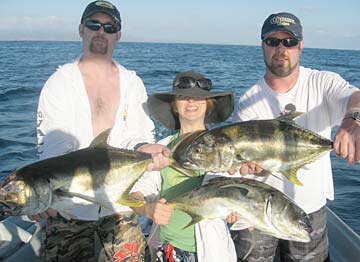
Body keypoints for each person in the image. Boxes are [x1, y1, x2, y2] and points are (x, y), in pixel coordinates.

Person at [34, 1, 169, 261]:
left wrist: (144, 151)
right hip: (69, 210)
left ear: (118, 35)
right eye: (94, 24)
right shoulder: (59, 83)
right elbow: (55, 153)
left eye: (109, 27)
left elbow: (138, 136)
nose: (101, 31)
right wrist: (43, 197)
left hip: (121, 205)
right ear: (81, 29)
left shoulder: (132, 83)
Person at [232, 12, 360, 262]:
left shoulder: (322, 82)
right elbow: (251, 167)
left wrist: (352, 121)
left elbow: (356, 97)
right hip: (258, 211)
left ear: (301, 45)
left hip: (309, 207)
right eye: (272, 41)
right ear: (262, 46)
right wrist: (250, 169)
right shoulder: (249, 102)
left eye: (289, 42)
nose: (281, 48)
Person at [131, 71, 238, 262]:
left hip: (214, 251)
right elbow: (135, 194)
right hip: (169, 249)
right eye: (183, 97)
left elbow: (244, 195)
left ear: (208, 104)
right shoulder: (161, 148)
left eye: (199, 98)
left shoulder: (228, 147)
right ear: (174, 105)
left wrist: (239, 214)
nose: (191, 102)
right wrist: (148, 210)